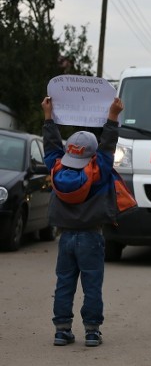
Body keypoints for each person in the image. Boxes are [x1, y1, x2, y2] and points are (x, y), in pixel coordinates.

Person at [42, 96, 124, 347]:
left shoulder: (56, 167)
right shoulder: (99, 169)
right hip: (91, 235)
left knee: (64, 282)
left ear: (69, 151)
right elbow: (108, 144)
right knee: (92, 284)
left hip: (65, 236)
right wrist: (112, 116)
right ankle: (91, 331)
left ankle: (62, 330)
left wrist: (48, 116)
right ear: (93, 152)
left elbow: (51, 145)